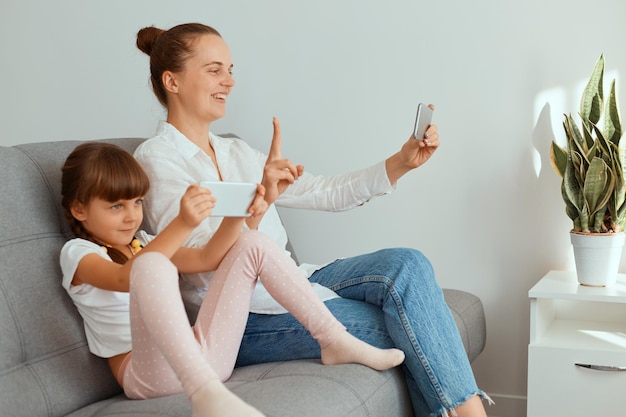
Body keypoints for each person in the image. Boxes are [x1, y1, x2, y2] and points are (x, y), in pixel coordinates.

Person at [133, 23, 491, 417]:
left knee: (408, 264)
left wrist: (401, 163)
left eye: (231, 70)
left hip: (296, 283)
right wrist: (260, 203)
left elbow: (325, 191)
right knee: (408, 322)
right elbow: (205, 264)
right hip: (243, 318)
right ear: (173, 81)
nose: (230, 82)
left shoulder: (235, 151)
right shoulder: (158, 159)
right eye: (215, 70)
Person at [59, 142, 405, 417]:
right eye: (116, 206)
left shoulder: (145, 244)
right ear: (79, 209)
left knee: (250, 241)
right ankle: (205, 396)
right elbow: (126, 277)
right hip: (147, 376)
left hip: (205, 356)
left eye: (136, 202)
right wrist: (183, 223)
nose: (132, 216)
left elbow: (208, 258)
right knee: (153, 268)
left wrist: (240, 214)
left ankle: (334, 340)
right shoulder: (77, 254)